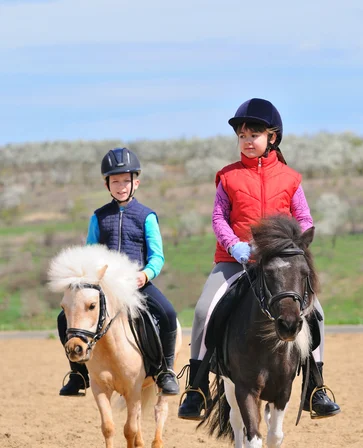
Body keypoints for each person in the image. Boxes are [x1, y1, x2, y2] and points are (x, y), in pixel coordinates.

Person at [178, 98, 340, 420]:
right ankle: (196, 389)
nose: (248, 141)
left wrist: (298, 240)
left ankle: (315, 388)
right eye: (242, 136)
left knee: (316, 313)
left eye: (254, 135)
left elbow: (304, 218)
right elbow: (218, 218)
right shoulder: (227, 176)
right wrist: (235, 246)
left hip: (279, 264)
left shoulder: (291, 178)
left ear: (272, 138)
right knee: (202, 311)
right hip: (235, 261)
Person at [58, 147, 179, 396]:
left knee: (168, 313)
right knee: (63, 318)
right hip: (106, 288)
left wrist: (146, 274)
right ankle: (78, 374)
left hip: (137, 284)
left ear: (137, 182)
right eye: (115, 181)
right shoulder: (99, 217)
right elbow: (89, 253)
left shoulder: (147, 217)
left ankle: (165, 370)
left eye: (126, 180)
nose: (121, 186)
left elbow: (157, 255)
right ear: (107, 185)